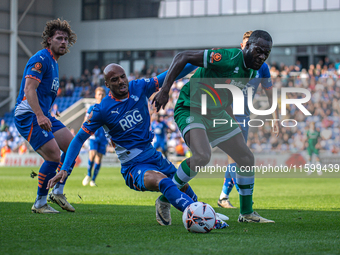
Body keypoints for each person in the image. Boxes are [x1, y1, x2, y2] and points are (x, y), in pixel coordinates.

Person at [47, 63, 228, 228]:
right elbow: (78, 139)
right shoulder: (102, 110)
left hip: (152, 155)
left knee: (181, 184)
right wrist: (65, 168)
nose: (121, 81)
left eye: (123, 76)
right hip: (133, 166)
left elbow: (171, 73)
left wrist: (201, 59)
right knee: (162, 181)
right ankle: (201, 217)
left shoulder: (139, 87)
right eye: (114, 80)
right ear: (107, 84)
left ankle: (202, 211)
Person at [153, 30, 275, 223]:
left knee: (246, 157)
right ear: (246, 46)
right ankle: (165, 199)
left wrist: (232, 120)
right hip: (190, 107)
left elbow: (225, 95)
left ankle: (246, 213)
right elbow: (182, 57)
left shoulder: (250, 71)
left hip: (216, 113)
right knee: (202, 156)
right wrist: (165, 89)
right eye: (258, 51)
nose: (261, 57)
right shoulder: (226, 57)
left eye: (265, 54)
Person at [14, 18, 77, 214]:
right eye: (59, 38)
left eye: (66, 39)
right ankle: (40, 203)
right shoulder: (41, 59)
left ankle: (57, 191)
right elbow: (29, 89)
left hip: (43, 113)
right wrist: (41, 115)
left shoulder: (54, 62)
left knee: (72, 146)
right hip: (29, 114)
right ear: (49, 40)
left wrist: (48, 113)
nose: (63, 42)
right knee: (53, 156)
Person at [217, 31, 280, 209]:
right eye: (244, 44)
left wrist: (275, 118)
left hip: (244, 117)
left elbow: (270, 95)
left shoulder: (262, 68)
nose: (246, 48)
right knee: (235, 158)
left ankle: (223, 197)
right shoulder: (234, 61)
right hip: (226, 114)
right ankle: (240, 198)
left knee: (236, 159)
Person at [82, 87, 108, 187]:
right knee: (92, 155)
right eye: (99, 94)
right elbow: (86, 120)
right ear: (96, 95)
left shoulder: (107, 108)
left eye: (102, 94)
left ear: (104, 96)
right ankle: (88, 174)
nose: (101, 96)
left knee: (99, 159)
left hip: (103, 137)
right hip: (93, 135)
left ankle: (93, 180)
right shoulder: (91, 107)